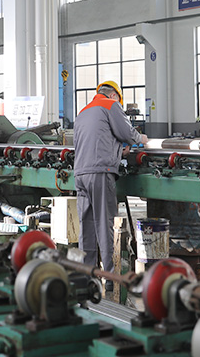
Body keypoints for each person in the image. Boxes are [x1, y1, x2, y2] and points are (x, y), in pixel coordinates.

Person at [73, 81, 148, 290]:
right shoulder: (110, 105)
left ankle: (87, 279)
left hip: (80, 174)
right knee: (105, 225)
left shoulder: (83, 112)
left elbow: (95, 140)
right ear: (114, 96)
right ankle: (110, 281)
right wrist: (142, 138)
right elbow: (126, 133)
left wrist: (117, 152)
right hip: (100, 173)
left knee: (87, 227)